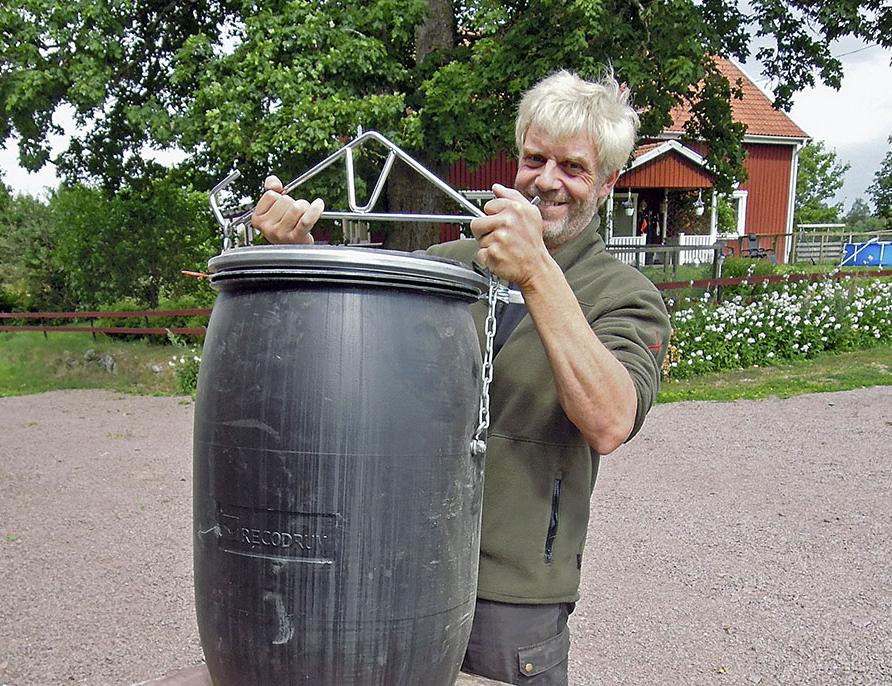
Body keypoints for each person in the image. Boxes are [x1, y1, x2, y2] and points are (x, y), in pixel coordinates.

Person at [251, 69, 672, 685]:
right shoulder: (448, 266)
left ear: (608, 182)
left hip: (511, 599)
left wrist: (537, 275)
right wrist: (298, 249)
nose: (547, 181)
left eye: (573, 168)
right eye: (534, 159)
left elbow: (610, 420)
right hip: (394, 567)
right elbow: (356, 346)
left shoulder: (625, 296)